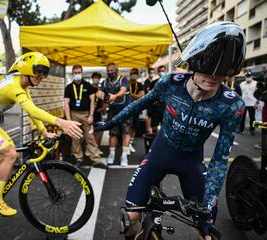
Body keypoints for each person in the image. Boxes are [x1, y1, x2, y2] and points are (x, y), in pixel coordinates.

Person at [93, 21, 246, 240]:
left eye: (222, 73)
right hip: (159, 155)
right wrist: (109, 123)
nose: (214, 77)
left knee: (206, 232)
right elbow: (139, 104)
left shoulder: (232, 105)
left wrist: (209, 201)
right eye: (208, 68)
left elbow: (220, 160)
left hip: (191, 163)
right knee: (129, 220)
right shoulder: (170, 83)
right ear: (194, 61)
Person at [0, 52, 83, 216]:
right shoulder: (13, 86)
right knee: (10, 154)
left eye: (45, 73)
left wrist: (44, 131)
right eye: (39, 72)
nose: (42, 77)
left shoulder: (23, 85)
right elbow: (33, 110)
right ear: (26, 69)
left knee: (10, 151)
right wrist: (61, 122)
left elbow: (31, 110)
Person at [64, 65, 107, 169]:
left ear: (82, 72)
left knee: (90, 137)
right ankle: (79, 159)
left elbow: (93, 101)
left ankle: (96, 160)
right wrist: (69, 120)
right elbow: (66, 104)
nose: (77, 74)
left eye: (79, 72)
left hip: (86, 114)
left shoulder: (88, 86)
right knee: (75, 137)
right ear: (73, 73)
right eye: (75, 73)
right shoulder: (69, 87)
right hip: (74, 113)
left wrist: (91, 115)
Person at [97, 63, 132, 166]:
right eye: (108, 71)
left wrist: (115, 96)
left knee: (126, 133)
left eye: (112, 70)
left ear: (117, 70)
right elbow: (99, 92)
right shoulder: (105, 82)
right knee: (112, 133)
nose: (110, 72)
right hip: (113, 112)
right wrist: (100, 95)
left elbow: (123, 90)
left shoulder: (123, 79)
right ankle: (112, 154)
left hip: (125, 110)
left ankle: (124, 155)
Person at [145, 65, 166, 134]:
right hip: (156, 108)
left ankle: (162, 142)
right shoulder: (154, 82)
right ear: (158, 72)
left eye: (163, 71)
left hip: (165, 108)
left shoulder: (170, 82)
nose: (162, 73)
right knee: (154, 127)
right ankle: (154, 140)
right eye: (160, 71)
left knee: (165, 127)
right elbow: (150, 94)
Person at [128, 68, 144, 153]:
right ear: (130, 74)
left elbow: (141, 96)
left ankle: (130, 142)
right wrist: (136, 95)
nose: (134, 75)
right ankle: (126, 143)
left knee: (134, 125)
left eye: (135, 73)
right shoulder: (126, 83)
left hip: (136, 108)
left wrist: (131, 95)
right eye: (133, 73)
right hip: (126, 108)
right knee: (127, 126)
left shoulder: (140, 85)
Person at [90, 72, 104, 154]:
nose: (96, 79)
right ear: (92, 78)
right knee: (90, 132)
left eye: (97, 78)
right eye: (95, 78)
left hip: (98, 112)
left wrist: (102, 108)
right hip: (90, 113)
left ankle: (96, 148)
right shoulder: (89, 88)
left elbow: (103, 101)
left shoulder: (100, 89)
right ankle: (90, 149)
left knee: (97, 131)